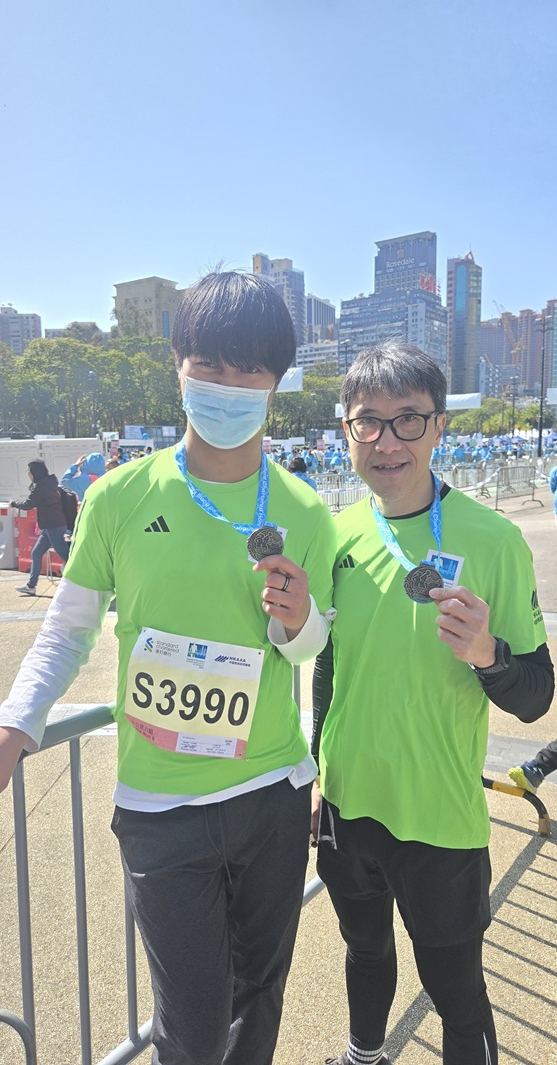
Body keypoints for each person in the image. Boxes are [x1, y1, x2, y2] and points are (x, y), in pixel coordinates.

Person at [0, 271, 336, 1065]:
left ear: (276, 382)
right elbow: (67, 630)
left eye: (250, 371)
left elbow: (309, 649)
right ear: (177, 363)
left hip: (271, 795)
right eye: (210, 366)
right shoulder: (120, 497)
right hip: (163, 808)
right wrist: (15, 723)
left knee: (259, 1000)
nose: (229, 387)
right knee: (191, 1027)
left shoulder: (302, 510)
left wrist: (299, 624)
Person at [311, 341, 554, 1065]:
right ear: (346, 430)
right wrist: (318, 778)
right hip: (350, 805)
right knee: (364, 950)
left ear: (440, 427)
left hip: (440, 819)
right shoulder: (336, 533)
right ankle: (363, 1056)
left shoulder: (494, 538)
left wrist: (489, 655)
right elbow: (329, 667)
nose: (387, 440)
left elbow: (538, 696)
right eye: (368, 422)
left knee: (456, 989)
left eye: (408, 420)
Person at [10, 460, 71, 596]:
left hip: (53, 525)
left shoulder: (40, 486)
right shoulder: (49, 482)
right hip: (51, 525)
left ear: (34, 472)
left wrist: (14, 503)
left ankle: (79, 583)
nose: (27, 473)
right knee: (36, 553)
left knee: (66, 556)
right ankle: (31, 586)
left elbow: (28, 504)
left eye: (29, 471)